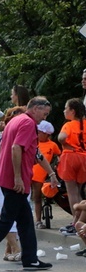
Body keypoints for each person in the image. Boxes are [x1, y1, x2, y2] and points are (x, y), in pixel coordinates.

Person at [0, 97, 57, 272]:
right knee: (6, 221)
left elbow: (12, 149)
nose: (44, 118)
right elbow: (16, 148)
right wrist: (17, 177)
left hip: (7, 176)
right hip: (15, 180)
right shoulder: (28, 123)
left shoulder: (16, 120)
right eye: (44, 114)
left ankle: (30, 259)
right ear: (36, 108)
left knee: (25, 221)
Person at [56, 98, 86, 236]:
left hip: (70, 157)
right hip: (84, 157)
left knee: (72, 192)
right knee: (80, 192)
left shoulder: (68, 125)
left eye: (66, 108)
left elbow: (61, 138)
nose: (64, 111)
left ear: (72, 111)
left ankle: (75, 223)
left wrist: (68, 146)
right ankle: (81, 221)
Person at [32, 120, 61, 229]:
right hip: (29, 172)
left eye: (39, 132)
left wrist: (57, 165)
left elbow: (59, 155)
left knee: (37, 197)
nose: (37, 133)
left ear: (46, 134)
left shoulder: (52, 145)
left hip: (39, 176)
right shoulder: (33, 142)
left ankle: (38, 221)